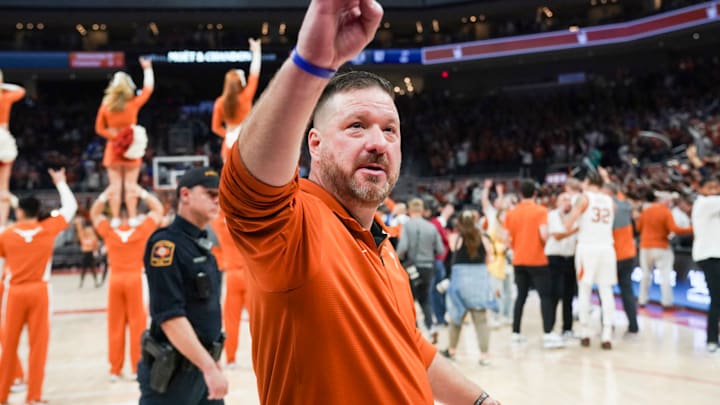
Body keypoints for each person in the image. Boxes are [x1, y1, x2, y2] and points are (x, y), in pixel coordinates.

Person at [218, 1, 500, 404]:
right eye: (356, 126)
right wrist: (310, 63)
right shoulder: (292, 228)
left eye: (390, 130)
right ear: (313, 144)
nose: (377, 142)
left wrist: (481, 402)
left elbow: (408, 345)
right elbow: (249, 186)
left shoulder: (382, 246)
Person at [139, 167, 228, 404]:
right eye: (210, 194)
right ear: (185, 195)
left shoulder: (200, 244)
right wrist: (209, 367)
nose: (217, 200)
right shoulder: (165, 245)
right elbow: (170, 316)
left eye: (219, 195)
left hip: (201, 364)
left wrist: (212, 361)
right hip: (174, 376)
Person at [0, 168, 77, 405]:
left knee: (9, 346)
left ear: (19, 212)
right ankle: (33, 397)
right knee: (38, 347)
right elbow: (71, 207)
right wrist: (61, 183)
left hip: (14, 293)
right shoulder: (47, 229)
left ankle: (2, 397)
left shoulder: (6, 234)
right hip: (40, 291)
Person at [90, 184, 164, 381]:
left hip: (115, 279)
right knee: (137, 324)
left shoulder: (109, 231)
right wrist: (142, 193)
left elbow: (94, 214)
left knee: (115, 325)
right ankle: (136, 367)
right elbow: (158, 210)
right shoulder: (141, 231)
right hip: (135, 279)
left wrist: (106, 194)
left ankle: (115, 370)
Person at [95, 57, 154, 228]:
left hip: (113, 149)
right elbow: (148, 89)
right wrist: (147, 68)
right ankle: (133, 216)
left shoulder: (106, 106)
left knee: (115, 186)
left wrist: (115, 137)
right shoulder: (132, 104)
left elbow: (99, 129)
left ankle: (114, 218)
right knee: (130, 185)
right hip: (131, 149)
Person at [503, 180, 563, 348]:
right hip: (537, 259)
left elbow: (505, 239)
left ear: (520, 194)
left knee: (520, 296)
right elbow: (544, 234)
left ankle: (516, 332)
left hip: (518, 259)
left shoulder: (511, 213)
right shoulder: (541, 211)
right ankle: (548, 333)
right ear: (535, 194)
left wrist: (517, 246)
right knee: (545, 296)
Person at [564, 172, 616, 349]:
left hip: (588, 247)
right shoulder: (609, 200)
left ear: (588, 182)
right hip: (607, 247)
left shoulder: (583, 198)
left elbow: (568, 223)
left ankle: (585, 331)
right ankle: (607, 333)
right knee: (606, 291)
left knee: (584, 289)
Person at [444, 210, 495, 365]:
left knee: (456, 317)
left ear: (458, 222)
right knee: (481, 320)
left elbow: (452, 249)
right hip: (478, 282)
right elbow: (490, 257)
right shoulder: (484, 238)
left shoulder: (456, 238)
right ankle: (484, 355)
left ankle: (452, 350)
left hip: (460, 282)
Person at [397, 198, 444, 337]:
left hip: (412, 267)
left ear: (410, 210)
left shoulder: (407, 226)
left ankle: (414, 329)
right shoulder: (431, 227)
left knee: (410, 298)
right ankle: (431, 327)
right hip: (428, 266)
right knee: (425, 298)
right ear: (422, 210)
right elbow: (440, 249)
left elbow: (402, 248)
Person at [636, 193, 693, 308]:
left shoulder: (646, 211)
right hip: (661, 246)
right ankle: (666, 302)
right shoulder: (666, 212)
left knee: (645, 274)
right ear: (666, 202)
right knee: (665, 275)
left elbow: (638, 227)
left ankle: (642, 299)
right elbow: (674, 229)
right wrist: (693, 228)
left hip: (645, 246)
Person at [211, 38, 262, 163]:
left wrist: (228, 134)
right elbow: (255, 73)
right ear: (240, 82)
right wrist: (256, 51)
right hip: (246, 141)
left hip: (229, 144)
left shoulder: (219, 102)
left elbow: (215, 127)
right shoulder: (246, 96)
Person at [209, 212, 248, 369]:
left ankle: (231, 359)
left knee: (231, 320)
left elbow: (214, 219)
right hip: (249, 274)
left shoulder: (220, 225)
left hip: (232, 274)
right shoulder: (246, 221)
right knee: (258, 321)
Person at [602, 181, 639, 336]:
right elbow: (620, 194)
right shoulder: (625, 205)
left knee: (606, 292)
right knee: (627, 290)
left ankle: (607, 325)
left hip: (611, 255)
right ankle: (633, 325)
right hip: (629, 255)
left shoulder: (607, 209)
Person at [690, 176, 720, 352]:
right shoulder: (704, 204)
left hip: (714, 255)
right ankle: (711, 339)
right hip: (709, 256)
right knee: (716, 298)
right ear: (700, 189)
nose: (714, 191)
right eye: (710, 187)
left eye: (716, 187)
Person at [544, 192, 578, 338]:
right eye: (563, 199)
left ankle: (567, 328)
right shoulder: (552, 215)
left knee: (569, 295)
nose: (567, 202)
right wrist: (575, 230)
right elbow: (557, 235)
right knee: (554, 294)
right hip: (554, 257)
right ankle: (549, 329)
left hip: (570, 257)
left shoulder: (576, 216)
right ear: (557, 202)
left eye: (569, 199)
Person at [0, 70, 25, 230]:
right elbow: (21, 90)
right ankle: (1, 225)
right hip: (3, 138)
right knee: (3, 188)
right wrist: (3, 85)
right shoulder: (5, 96)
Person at [75, 217, 100, 288]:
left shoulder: (92, 236)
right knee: (84, 270)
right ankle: (81, 282)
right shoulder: (83, 235)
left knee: (93, 269)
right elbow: (79, 231)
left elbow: (96, 245)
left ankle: (95, 282)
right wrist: (78, 223)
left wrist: (96, 251)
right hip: (85, 254)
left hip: (90, 253)